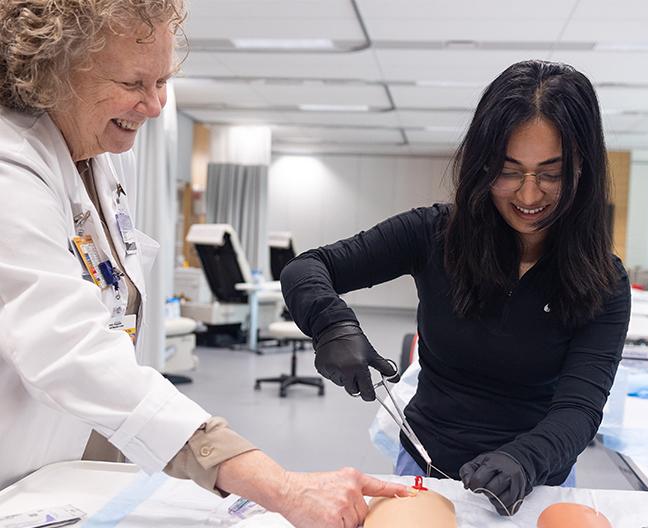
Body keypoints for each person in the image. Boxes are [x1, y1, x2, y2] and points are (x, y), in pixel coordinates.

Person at [0, 2, 411, 526]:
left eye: (163, 80)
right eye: (134, 82)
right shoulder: (10, 166)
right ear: (51, 72)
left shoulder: (102, 151)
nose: (154, 105)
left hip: (73, 460)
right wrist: (278, 486)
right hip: (15, 467)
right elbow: (69, 350)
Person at [281, 60, 631, 516]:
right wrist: (331, 325)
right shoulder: (433, 234)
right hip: (426, 463)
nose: (528, 196)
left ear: (582, 169)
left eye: (551, 173)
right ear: (482, 165)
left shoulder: (604, 280)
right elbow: (307, 268)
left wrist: (525, 459)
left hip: (540, 475)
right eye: (508, 171)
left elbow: (580, 410)